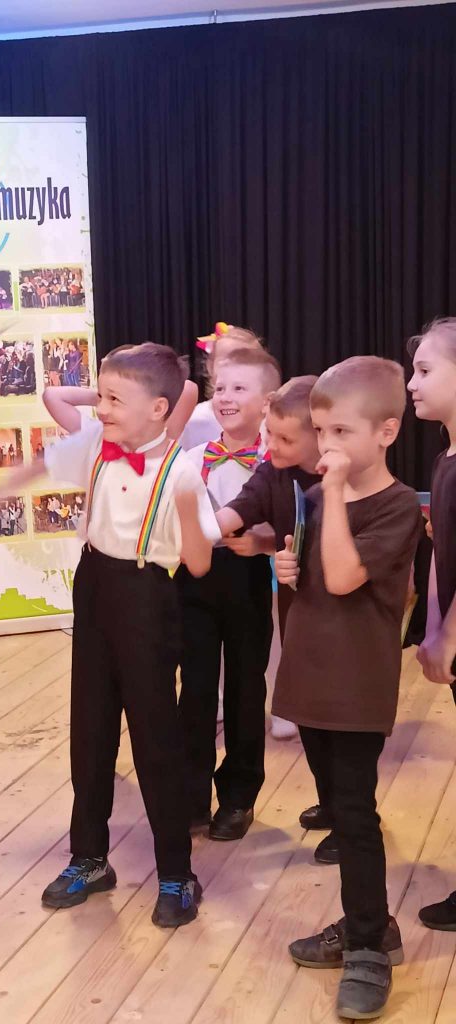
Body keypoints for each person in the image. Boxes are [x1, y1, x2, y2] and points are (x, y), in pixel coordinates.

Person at [0, 343, 219, 927]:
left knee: (155, 737)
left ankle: (176, 871)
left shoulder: (184, 469)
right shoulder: (97, 445)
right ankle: (89, 858)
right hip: (93, 585)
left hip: (148, 596)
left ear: (159, 409)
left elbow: (198, 564)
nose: (101, 408)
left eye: (115, 399)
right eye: (101, 395)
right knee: (90, 730)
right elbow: (49, 442)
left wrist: (189, 508)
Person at [274, 357, 421, 1020]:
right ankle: (371, 922)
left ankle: (368, 944)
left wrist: (331, 495)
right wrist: (286, 565)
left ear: (386, 432)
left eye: (341, 433)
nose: (326, 446)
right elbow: (314, 577)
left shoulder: (397, 506)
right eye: (320, 432)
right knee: (337, 807)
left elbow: (343, 579)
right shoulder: (313, 500)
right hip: (311, 679)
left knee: (356, 817)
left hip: (356, 689)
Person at [179, 347, 282, 840]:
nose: (225, 396)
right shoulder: (191, 458)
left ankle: (239, 796)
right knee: (195, 689)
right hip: (193, 581)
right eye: (219, 387)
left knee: (245, 688)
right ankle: (190, 794)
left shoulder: (274, 462)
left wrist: (264, 539)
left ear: (268, 402)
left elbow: (292, 524)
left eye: (239, 388)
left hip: (247, 579)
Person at [216, 376, 321, 747]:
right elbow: (238, 509)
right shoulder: (271, 472)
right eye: (269, 434)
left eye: (285, 439)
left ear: (320, 434)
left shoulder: (348, 477)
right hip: (297, 603)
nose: (271, 445)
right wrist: (197, 529)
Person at [407, 318, 456, 928]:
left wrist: (451, 635)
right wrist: (434, 628)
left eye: (425, 370)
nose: (412, 383)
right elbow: (443, 551)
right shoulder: (446, 457)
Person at [179, 324, 265, 450]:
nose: (233, 370)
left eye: (244, 362)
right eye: (226, 362)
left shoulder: (269, 417)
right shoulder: (196, 421)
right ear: (210, 366)